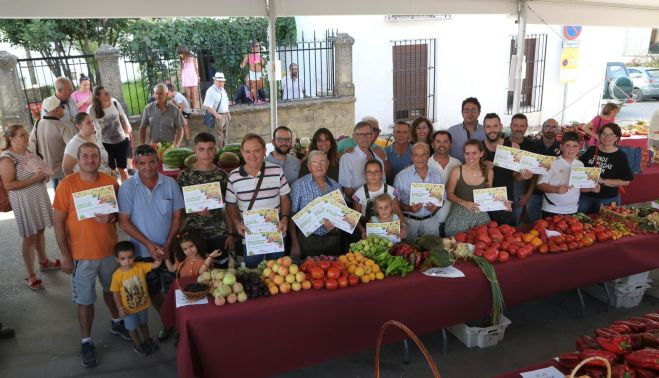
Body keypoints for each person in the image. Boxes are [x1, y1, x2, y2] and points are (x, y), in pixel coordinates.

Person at [52, 142, 128, 368]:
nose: (90, 160)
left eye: (94, 156)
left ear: (100, 159)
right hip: (81, 256)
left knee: (111, 291)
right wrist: (65, 255)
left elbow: (119, 215)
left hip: (108, 252)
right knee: (85, 301)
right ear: (78, 159)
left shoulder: (111, 183)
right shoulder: (66, 186)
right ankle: (86, 340)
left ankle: (117, 322)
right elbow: (57, 224)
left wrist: (111, 218)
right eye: (85, 156)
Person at [118, 144, 185, 342]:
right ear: (135, 164)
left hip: (170, 248)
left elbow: (177, 217)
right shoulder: (128, 188)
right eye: (142, 163)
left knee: (176, 288)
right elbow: (124, 222)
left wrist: (168, 243)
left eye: (152, 162)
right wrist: (149, 245)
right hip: (142, 252)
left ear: (158, 161)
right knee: (153, 290)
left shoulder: (170, 184)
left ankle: (182, 326)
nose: (148, 167)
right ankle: (168, 323)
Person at [0, 124, 58, 290]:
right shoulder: (7, 158)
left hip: (37, 197)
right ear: (11, 138)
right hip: (23, 201)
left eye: (26, 134)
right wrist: (34, 179)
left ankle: (44, 261)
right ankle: (30, 274)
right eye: (22, 135)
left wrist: (43, 177)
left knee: (40, 230)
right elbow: (9, 185)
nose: (26, 137)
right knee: (29, 236)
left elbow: (37, 174)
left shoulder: (28, 153)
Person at [225, 134, 291, 268]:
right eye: (248, 151)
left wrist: (284, 218)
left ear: (264, 151)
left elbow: (285, 197)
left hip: (276, 231)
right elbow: (231, 204)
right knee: (252, 272)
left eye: (257, 150)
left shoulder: (276, 171)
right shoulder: (234, 176)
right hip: (250, 236)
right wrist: (237, 223)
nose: (252, 155)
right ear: (242, 153)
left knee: (278, 271)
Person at [176, 132, 234, 268]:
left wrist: (230, 234)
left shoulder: (223, 176)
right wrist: (193, 211)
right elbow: (179, 207)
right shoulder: (185, 176)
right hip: (194, 236)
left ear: (215, 150)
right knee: (198, 273)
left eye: (210, 149)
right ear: (195, 150)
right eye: (201, 149)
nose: (206, 154)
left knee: (221, 271)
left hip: (218, 233)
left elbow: (230, 207)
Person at [110, 241, 161, 357]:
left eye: (130, 257)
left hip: (142, 305)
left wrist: (159, 258)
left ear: (134, 256)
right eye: (123, 258)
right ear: (117, 259)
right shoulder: (117, 276)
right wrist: (120, 308)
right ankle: (138, 344)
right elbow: (116, 293)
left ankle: (147, 340)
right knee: (132, 328)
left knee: (144, 324)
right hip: (128, 310)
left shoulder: (140, 266)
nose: (127, 261)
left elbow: (154, 265)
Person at [289, 150, 344, 258]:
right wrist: (295, 244)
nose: (319, 166)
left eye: (323, 162)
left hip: (332, 240)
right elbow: (292, 217)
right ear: (309, 167)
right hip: (307, 240)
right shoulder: (298, 186)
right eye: (314, 163)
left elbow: (342, 216)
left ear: (327, 164)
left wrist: (335, 227)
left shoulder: (336, 186)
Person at [482, 113, 532, 226]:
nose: (492, 130)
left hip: (506, 200)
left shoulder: (513, 147)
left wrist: (522, 176)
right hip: (484, 200)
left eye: (495, 126)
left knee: (505, 236)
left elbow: (516, 177)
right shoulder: (478, 148)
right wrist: (481, 168)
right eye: (488, 126)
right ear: (484, 128)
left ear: (501, 126)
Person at [537, 131, 600, 217]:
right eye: (568, 146)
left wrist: (591, 188)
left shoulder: (580, 164)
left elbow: (579, 187)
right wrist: (556, 189)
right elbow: (540, 185)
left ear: (579, 147)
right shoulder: (551, 162)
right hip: (552, 208)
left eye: (575, 146)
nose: (571, 149)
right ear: (561, 147)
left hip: (572, 209)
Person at [578, 123, 634, 213]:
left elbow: (626, 181)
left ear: (617, 138)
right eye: (603, 134)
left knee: (603, 225)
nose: (606, 137)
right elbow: (578, 167)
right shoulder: (592, 150)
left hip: (607, 199)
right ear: (599, 135)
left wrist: (602, 181)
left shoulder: (620, 156)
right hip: (585, 196)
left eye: (611, 135)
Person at [394, 143, 444, 240]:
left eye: (423, 154)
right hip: (409, 222)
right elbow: (395, 202)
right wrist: (409, 208)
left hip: (431, 222)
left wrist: (436, 207)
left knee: (432, 251)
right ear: (412, 156)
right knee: (408, 251)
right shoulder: (400, 176)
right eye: (416, 155)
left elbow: (442, 199)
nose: (420, 158)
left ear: (428, 155)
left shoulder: (437, 175)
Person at [444, 140, 493, 236]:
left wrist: (502, 203)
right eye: (467, 153)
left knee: (481, 248)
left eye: (474, 153)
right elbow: (449, 194)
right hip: (458, 219)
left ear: (481, 153)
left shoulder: (489, 172)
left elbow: (489, 196)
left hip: (481, 219)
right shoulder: (457, 171)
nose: (470, 157)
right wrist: (464, 203)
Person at [29, 96, 74, 189]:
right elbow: (73, 148)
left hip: (47, 168)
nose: (64, 109)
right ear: (55, 110)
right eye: (62, 107)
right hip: (63, 169)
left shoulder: (38, 124)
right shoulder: (63, 127)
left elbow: (31, 145)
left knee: (57, 192)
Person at [89, 86, 132, 182]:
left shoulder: (115, 103)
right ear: (98, 97)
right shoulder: (92, 109)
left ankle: (126, 193)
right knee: (111, 172)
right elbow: (90, 126)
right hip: (105, 145)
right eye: (105, 93)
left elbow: (122, 117)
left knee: (123, 170)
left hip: (121, 141)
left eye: (108, 92)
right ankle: (114, 192)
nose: (109, 94)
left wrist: (127, 133)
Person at [352, 159, 404, 237]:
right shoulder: (358, 194)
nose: (373, 175)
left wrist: (401, 227)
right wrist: (363, 230)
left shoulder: (392, 191)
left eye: (376, 172)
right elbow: (354, 217)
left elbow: (399, 214)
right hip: (369, 232)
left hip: (390, 232)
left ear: (382, 174)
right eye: (369, 172)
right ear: (365, 174)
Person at [526, 118, 562, 223]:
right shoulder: (532, 145)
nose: (550, 130)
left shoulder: (562, 148)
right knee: (532, 222)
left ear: (558, 129)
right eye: (548, 127)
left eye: (554, 127)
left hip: (553, 191)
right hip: (533, 191)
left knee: (551, 222)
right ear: (542, 128)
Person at [428, 130, 462, 236]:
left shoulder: (457, 163)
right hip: (431, 219)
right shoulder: (425, 163)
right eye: (438, 141)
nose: (441, 145)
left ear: (450, 144)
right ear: (432, 144)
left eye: (445, 141)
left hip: (453, 218)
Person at [339, 121, 386, 197]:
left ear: (372, 136)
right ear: (354, 136)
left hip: (378, 203)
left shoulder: (378, 159)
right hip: (355, 203)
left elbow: (383, 185)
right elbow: (346, 190)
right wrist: (363, 201)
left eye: (368, 134)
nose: (365, 137)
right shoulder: (346, 158)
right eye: (360, 134)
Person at [508, 113, 537, 225]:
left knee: (515, 224)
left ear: (526, 127)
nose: (518, 129)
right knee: (498, 225)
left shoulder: (532, 146)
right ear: (510, 125)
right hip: (501, 190)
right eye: (515, 125)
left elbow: (536, 174)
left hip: (519, 191)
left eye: (522, 126)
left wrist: (528, 195)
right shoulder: (502, 143)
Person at [62, 112, 112, 176]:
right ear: (79, 126)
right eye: (88, 123)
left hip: (104, 178)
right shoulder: (74, 144)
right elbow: (66, 168)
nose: (92, 125)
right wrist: (77, 183)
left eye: (92, 122)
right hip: (89, 183)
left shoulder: (94, 136)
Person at [448, 97, 486, 163]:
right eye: (466, 110)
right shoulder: (452, 131)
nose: (470, 113)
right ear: (462, 112)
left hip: (479, 170)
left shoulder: (485, 131)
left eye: (473, 110)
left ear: (479, 112)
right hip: (455, 169)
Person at [203, 73, 231, 148]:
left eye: (222, 81)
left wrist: (228, 113)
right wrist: (216, 115)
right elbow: (207, 106)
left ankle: (225, 149)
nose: (221, 83)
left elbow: (225, 102)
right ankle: (220, 150)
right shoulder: (211, 91)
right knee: (219, 135)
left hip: (224, 115)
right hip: (217, 115)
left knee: (225, 134)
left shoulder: (223, 90)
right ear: (214, 81)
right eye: (219, 81)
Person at [384, 121, 413, 185]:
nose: (401, 135)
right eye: (398, 132)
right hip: (390, 192)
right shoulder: (384, 152)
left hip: (411, 192)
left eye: (405, 132)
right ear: (393, 133)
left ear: (409, 134)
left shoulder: (416, 151)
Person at [240, 41, 265, 105]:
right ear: (252, 47)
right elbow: (244, 63)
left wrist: (259, 61)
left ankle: (252, 93)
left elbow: (263, 63)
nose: (258, 47)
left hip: (259, 73)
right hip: (253, 73)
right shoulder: (249, 55)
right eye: (256, 46)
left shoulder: (259, 55)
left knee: (261, 85)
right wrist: (242, 66)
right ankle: (256, 100)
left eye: (258, 46)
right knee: (254, 87)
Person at [176, 45, 200, 109]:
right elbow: (181, 69)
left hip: (192, 77)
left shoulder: (193, 58)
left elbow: (196, 68)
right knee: (188, 95)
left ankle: (194, 109)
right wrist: (181, 77)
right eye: (180, 53)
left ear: (185, 51)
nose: (181, 54)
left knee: (193, 94)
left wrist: (198, 76)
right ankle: (188, 108)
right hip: (185, 77)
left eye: (182, 52)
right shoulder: (181, 58)